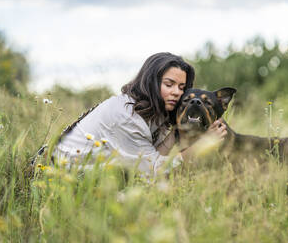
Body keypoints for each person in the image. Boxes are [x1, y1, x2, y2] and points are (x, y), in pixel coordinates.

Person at [53, 52, 227, 176]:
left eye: (181, 87)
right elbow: (151, 171)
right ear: (151, 82)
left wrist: (177, 133)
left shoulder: (151, 111)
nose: (177, 92)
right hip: (62, 176)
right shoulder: (127, 116)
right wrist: (203, 145)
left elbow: (152, 157)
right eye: (169, 84)